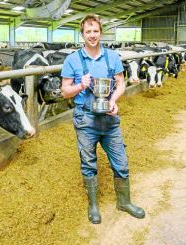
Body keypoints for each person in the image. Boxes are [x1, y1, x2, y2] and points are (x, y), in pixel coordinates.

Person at [61, 14, 145, 224]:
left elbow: (121, 84)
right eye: (88, 32)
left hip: (109, 119)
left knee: (121, 162)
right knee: (88, 163)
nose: (92, 35)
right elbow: (64, 92)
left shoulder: (112, 57)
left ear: (101, 33)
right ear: (82, 34)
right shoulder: (72, 59)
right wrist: (81, 85)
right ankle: (93, 206)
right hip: (86, 119)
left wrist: (114, 100)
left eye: (95, 31)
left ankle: (124, 202)